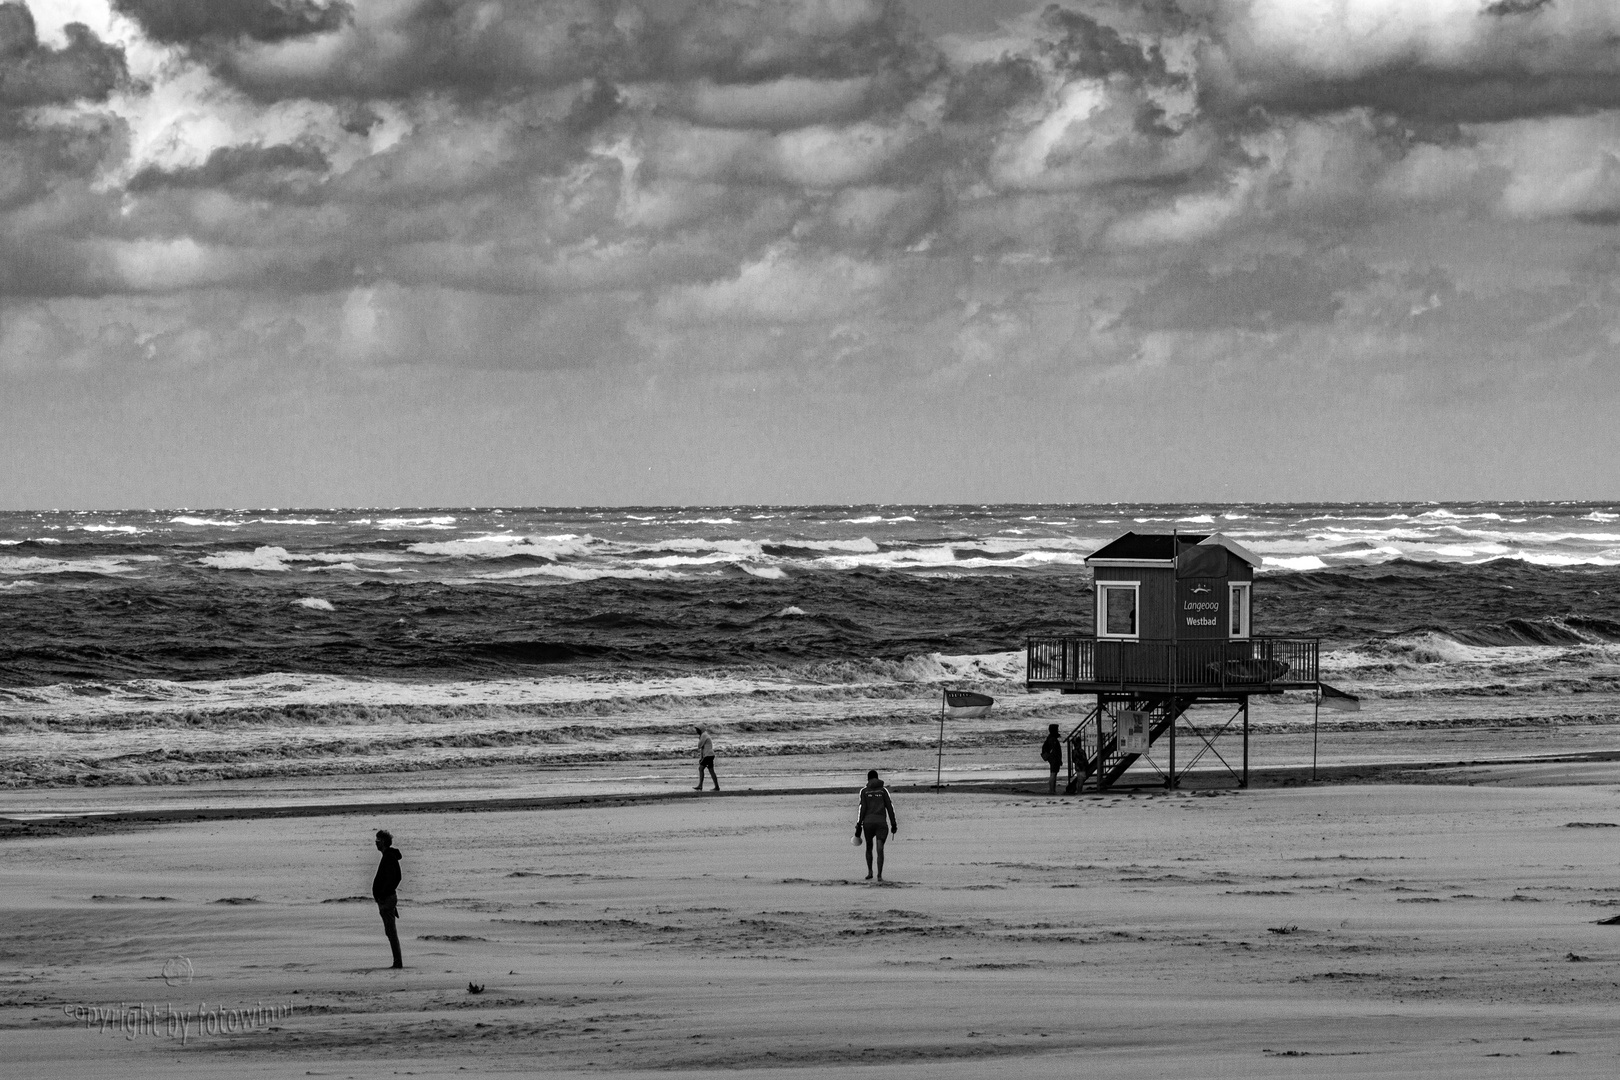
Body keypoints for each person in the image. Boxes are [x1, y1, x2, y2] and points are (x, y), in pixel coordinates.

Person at [855, 770, 898, 881]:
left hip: (868, 824)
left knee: (869, 847)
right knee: (880, 849)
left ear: (868, 779)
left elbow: (862, 808)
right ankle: (879, 875)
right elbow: (889, 807)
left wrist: (859, 824)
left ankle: (870, 872)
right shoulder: (884, 791)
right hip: (881, 824)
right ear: (877, 778)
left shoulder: (864, 791)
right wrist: (893, 823)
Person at [372, 829, 403, 969]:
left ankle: (397, 962)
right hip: (386, 899)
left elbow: (395, 877)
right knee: (390, 932)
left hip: (387, 899)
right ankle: (397, 961)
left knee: (391, 932)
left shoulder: (389, 857)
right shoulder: (388, 856)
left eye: (377, 841)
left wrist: (384, 894)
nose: (376, 844)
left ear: (383, 842)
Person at [1041, 723, 1064, 795]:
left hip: (1052, 758)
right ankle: (1051, 790)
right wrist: (1058, 759)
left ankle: (1052, 789)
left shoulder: (1050, 738)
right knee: (1053, 774)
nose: (1058, 730)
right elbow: (1055, 750)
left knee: (1053, 774)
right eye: (1057, 729)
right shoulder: (1052, 739)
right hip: (1054, 758)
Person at [695, 726, 719, 791]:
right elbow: (702, 749)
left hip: (708, 755)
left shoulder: (704, 735)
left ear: (701, 729)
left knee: (701, 768)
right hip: (709, 755)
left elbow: (699, 746)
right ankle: (716, 787)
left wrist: (699, 738)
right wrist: (701, 758)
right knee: (711, 771)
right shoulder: (704, 735)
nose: (696, 731)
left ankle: (700, 785)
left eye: (697, 730)